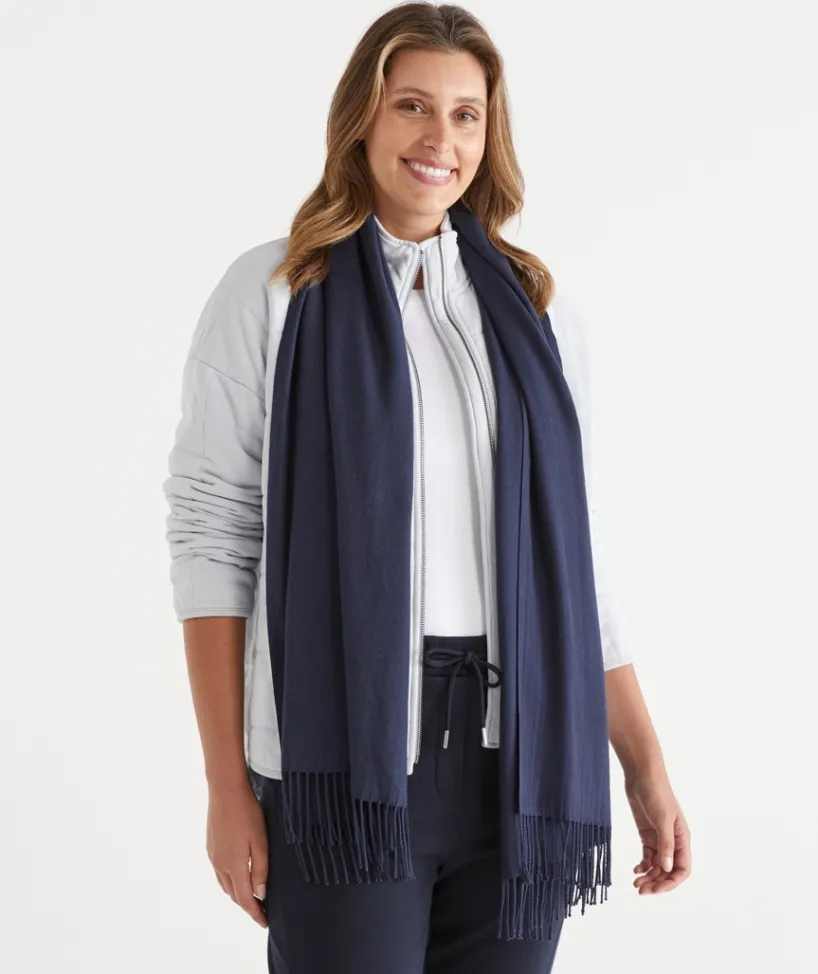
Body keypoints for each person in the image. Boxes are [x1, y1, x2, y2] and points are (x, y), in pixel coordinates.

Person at [162, 3, 691, 972]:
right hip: (342, 770)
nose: (437, 138)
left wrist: (643, 763)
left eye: (464, 114)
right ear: (362, 116)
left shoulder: (534, 313)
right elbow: (214, 537)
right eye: (411, 105)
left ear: (489, 137)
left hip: (519, 765)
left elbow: (576, 561)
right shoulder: (275, 291)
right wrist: (226, 785)